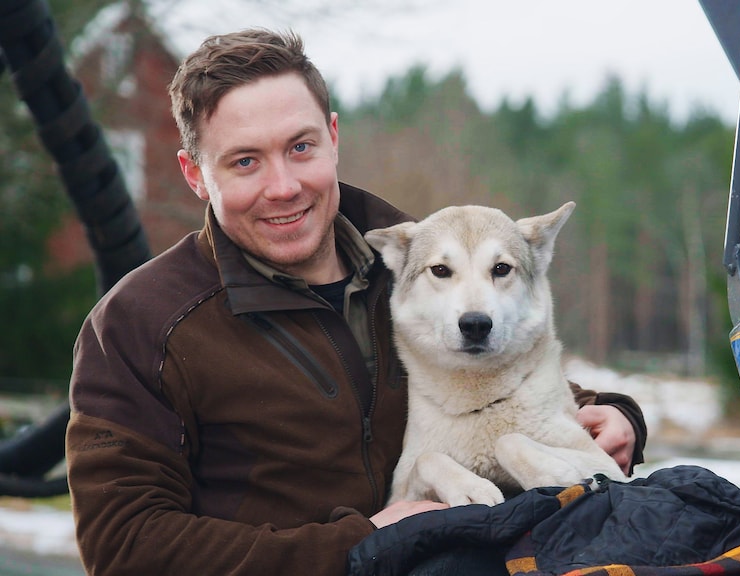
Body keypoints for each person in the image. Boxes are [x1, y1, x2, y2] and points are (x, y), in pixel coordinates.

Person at [64, 28, 647, 576]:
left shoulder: (419, 262)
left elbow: (501, 377)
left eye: (301, 147)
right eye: (245, 161)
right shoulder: (139, 324)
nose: (285, 186)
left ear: (334, 138)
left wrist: (615, 413)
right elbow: (124, 546)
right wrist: (362, 543)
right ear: (195, 174)